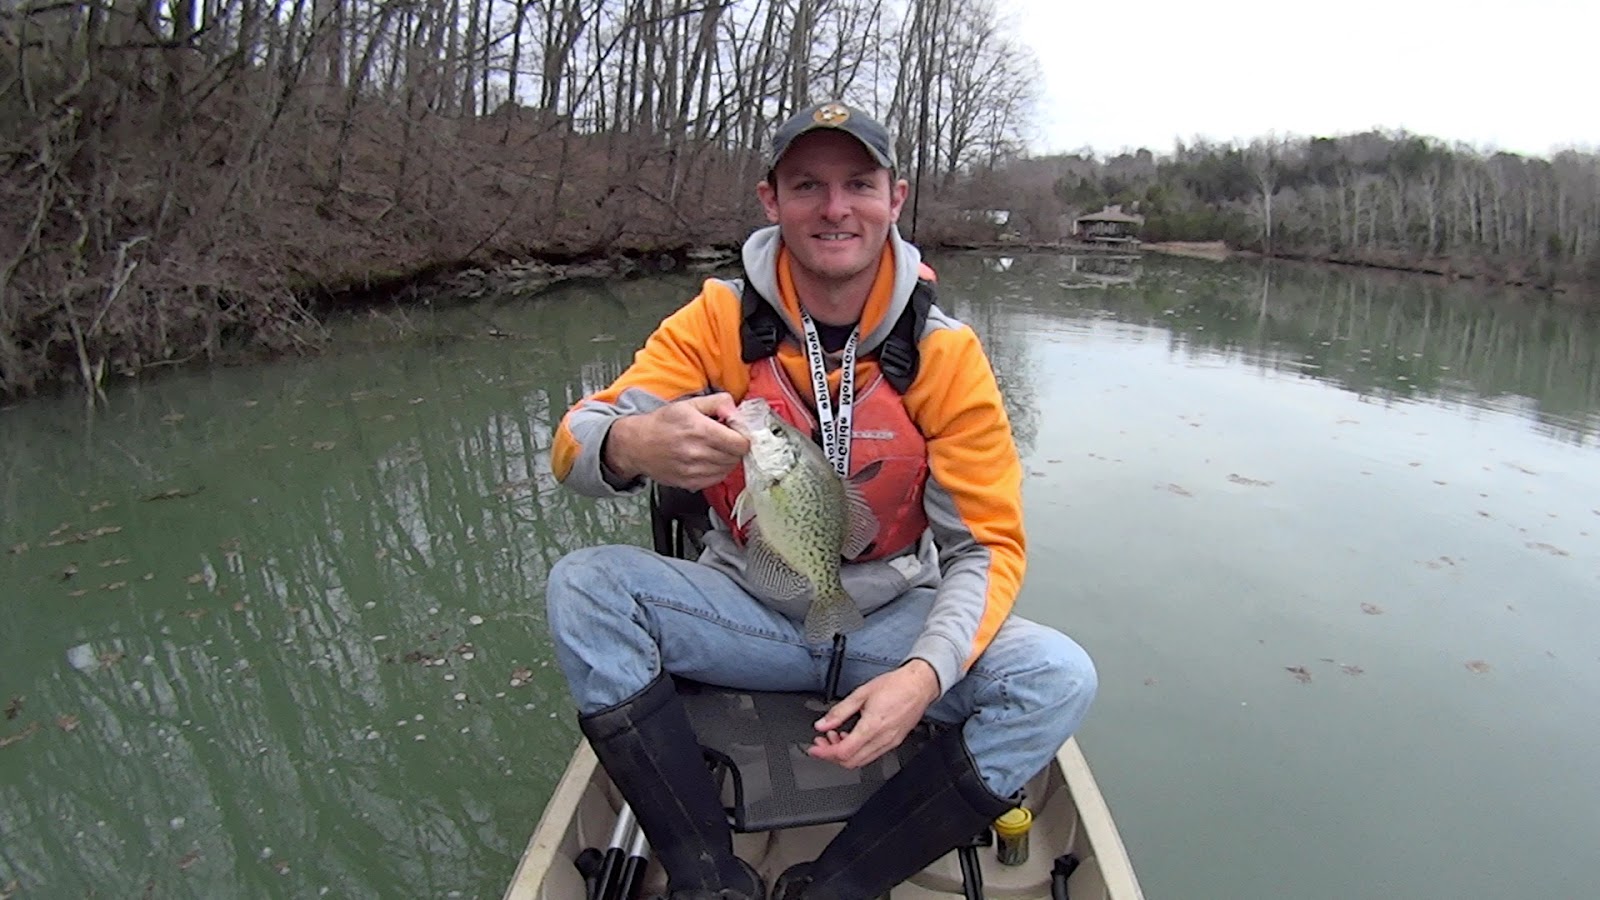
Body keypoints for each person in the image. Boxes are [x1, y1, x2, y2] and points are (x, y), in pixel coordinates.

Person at [545, 100, 1097, 900]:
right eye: (807, 185)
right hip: (744, 612)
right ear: (772, 200)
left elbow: (988, 549)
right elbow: (574, 442)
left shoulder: (946, 354)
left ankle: (836, 884)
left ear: (894, 199)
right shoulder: (714, 321)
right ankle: (710, 877)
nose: (835, 208)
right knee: (583, 587)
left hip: (886, 625)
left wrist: (922, 676)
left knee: (1059, 675)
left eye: (858, 184)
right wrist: (629, 445)